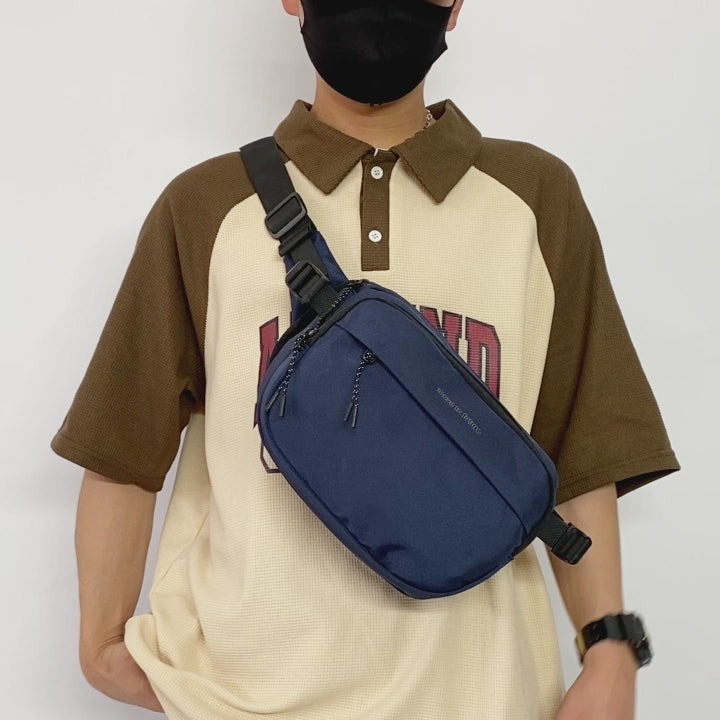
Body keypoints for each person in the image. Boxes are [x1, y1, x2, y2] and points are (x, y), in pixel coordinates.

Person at [50, 1, 681, 719]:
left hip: (485, 698)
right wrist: (101, 649)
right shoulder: (205, 206)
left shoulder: (535, 198)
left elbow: (583, 448)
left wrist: (609, 649)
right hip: (246, 699)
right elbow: (122, 447)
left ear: (457, 4)